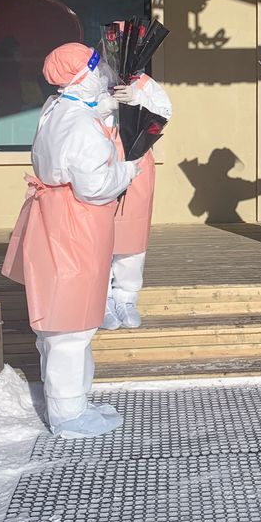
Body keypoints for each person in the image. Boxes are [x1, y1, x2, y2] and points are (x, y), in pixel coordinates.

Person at [2, 42, 141, 438]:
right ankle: (67, 415)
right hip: (76, 225)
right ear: (82, 75)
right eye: (95, 67)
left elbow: (85, 122)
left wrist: (109, 110)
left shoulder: (57, 109)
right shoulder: (79, 124)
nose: (101, 74)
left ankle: (75, 402)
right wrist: (128, 169)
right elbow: (96, 185)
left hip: (58, 219)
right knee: (69, 326)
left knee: (67, 319)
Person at [99, 70, 173, 331]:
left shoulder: (143, 83)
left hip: (137, 160)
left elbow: (164, 113)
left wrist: (136, 98)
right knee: (100, 233)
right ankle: (102, 298)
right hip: (100, 161)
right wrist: (105, 102)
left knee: (133, 231)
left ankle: (126, 298)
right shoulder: (93, 77)